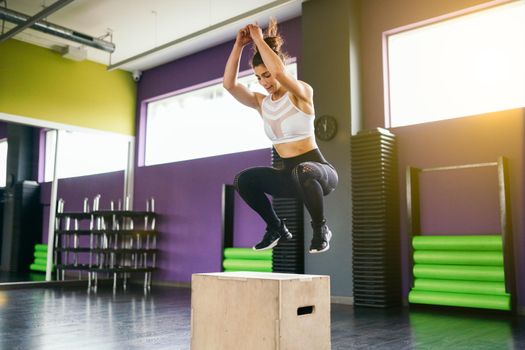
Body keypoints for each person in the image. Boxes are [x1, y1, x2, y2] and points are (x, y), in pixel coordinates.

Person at [223, 19, 338, 254]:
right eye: (259, 78)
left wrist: (257, 38)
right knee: (242, 180)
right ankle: (276, 227)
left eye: (267, 75)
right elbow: (229, 85)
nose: (265, 82)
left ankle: (321, 228)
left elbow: (278, 71)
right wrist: (239, 45)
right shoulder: (261, 103)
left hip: (318, 171)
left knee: (302, 170)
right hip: (289, 177)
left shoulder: (301, 93)